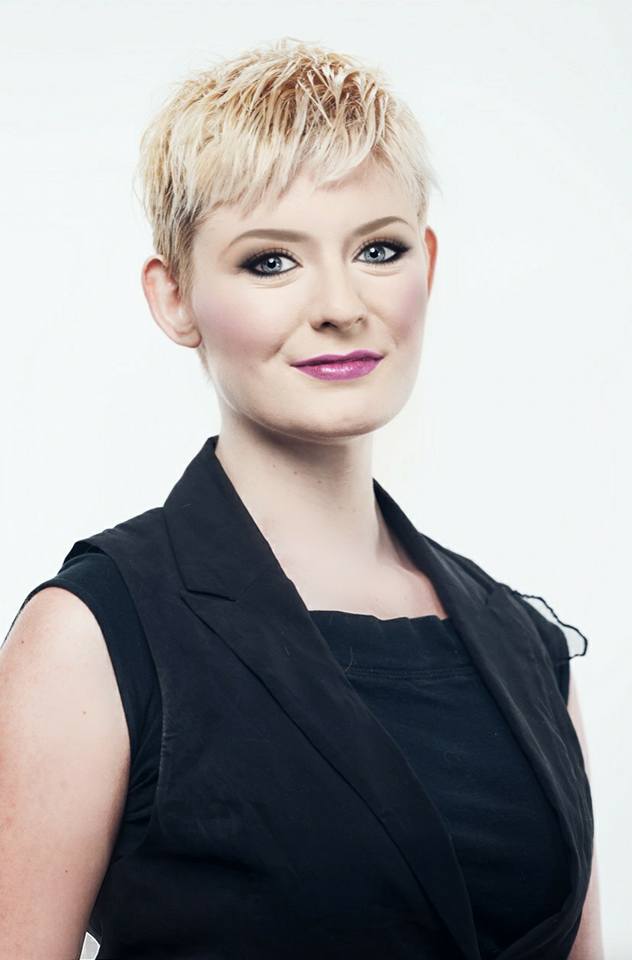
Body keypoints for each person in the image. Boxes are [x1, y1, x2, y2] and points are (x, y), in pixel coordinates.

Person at [1, 36, 601, 960]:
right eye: (271, 261)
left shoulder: (528, 648)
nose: (341, 304)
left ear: (427, 264)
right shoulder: (94, 634)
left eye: (378, 250)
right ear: (174, 297)